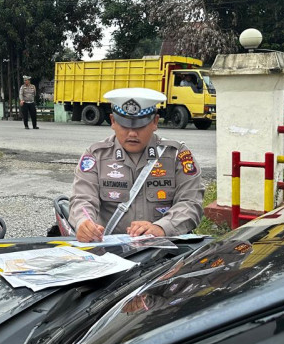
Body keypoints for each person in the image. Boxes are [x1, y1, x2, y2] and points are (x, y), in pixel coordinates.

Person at [69, 88, 204, 242]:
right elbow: (82, 198)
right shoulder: (96, 155)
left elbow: (191, 203)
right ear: (113, 121)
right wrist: (84, 223)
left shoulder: (176, 155)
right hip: (110, 251)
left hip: (164, 249)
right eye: (125, 126)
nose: (132, 133)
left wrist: (162, 227)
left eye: (140, 126)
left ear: (154, 122)